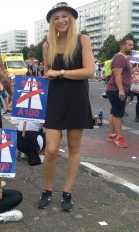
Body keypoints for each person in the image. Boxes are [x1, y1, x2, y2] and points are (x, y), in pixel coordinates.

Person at [37, 2, 94, 212]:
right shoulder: (47, 45)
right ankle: (47, 189)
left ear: (71, 18)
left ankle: (67, 192)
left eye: (64, 16)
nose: (61, 21)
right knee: (50, 149)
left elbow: (89, 71)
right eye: (56, 18)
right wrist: (28, 90)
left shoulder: (82, 40)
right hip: (55, 99)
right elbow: (47, 75)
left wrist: (60, 73)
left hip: (77, 98)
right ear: (52, 22)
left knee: (73, 147)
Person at [106, 37, 134, 148]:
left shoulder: (124, 57)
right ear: (123, 46)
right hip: (116, 89)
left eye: (132, 45)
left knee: (114, 112)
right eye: (130, 45)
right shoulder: (119, 57)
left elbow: (124, 73)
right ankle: (118, 137)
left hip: (116, 89)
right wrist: (121, 89)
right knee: (118, 114)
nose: (132, 47)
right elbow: (117, 74)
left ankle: (112, 135)